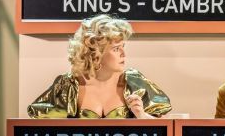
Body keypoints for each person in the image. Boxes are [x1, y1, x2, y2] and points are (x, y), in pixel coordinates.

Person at [28, 15, 171, 118]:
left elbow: (165, 132)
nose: (123, 54)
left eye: (123, 46)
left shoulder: (135, 83)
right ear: (96, 53)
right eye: (116, 49)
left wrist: (142, 116)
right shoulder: (67, 86)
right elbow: (41, 133)